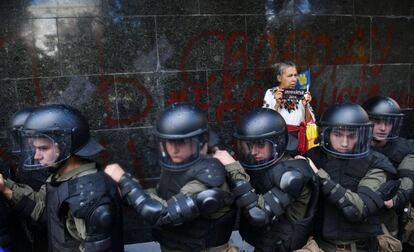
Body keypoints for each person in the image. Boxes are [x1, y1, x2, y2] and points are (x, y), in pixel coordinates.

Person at [105, 103, 236, 252]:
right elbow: (162, 196)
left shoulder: (208, 176)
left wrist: (126, 182)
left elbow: (163, 214)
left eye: (181, 142)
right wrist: (130, 191)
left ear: (200, 142)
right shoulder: (180, 166)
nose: (173, 150)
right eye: (169, 143)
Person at [0, 104, 123, 252]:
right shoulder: (61, 175)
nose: (36, 156)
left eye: (43, 148)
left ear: (65, 147)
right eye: (35, 148)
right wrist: (6, 188)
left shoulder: (87, 197)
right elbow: (46, 212)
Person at [213, 108, 320, 252]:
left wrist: (234, 168)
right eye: (250, 145)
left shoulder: (294, 174)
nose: (253, 152)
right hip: (265, 244)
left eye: (261, 144)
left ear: (277, 143)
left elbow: (258, 214)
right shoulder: (263, 164)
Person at [304, 102, 398, 252]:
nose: (344, 143)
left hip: (360, 247)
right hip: (320, 245)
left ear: (361, 136)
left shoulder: (376, 163)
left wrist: (320, 177)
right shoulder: (313, 157)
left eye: (351, 136)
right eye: (338, 134)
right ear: (326, 133)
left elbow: (358, 208)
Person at [363, 96, 414, 251]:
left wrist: (395, 197)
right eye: (377, 122)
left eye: (388, 123)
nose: (383, 128)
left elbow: (408, 178)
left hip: (387, 216)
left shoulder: (403, 149)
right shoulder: (354, 143)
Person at [6, 107, 49, 251]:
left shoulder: (47, 161)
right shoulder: (29, 158)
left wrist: (8, 188)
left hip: (45, 223)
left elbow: (42, 204)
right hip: (34, 223)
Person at [263, 61, 315, 154]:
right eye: (290, 76)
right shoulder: (271, 93)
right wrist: (277, 104)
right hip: (279, 138)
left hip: (299, 140)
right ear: (279, 78)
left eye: (295, 75)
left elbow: (309, 121)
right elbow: (266, 121)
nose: (294, 79)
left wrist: (306, 106)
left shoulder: (300, 93)